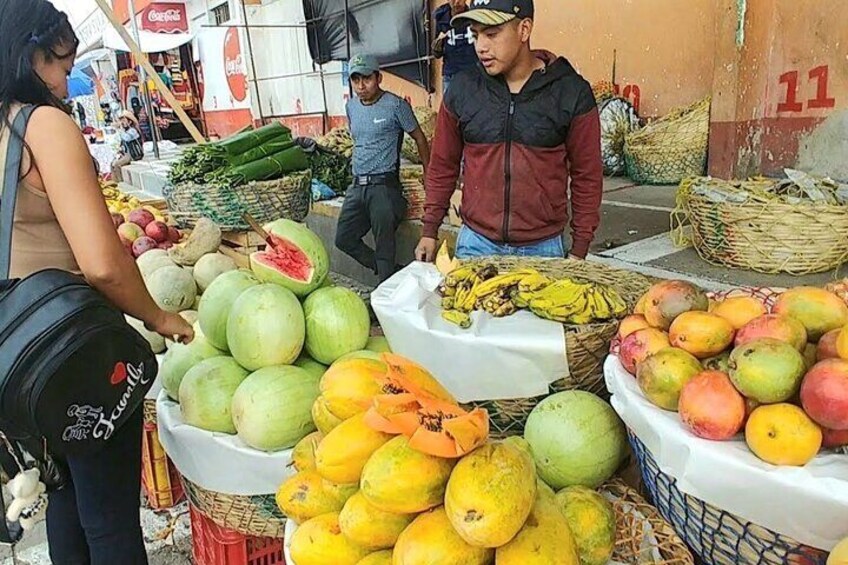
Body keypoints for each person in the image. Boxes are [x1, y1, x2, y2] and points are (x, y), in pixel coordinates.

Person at [0, 2, 193, 563]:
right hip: (67, 348)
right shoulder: (42, 125)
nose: (66, 78)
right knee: (108, 519)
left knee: (63, 495)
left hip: (13, 357)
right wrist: (159, 317)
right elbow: (103, 263)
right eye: (62, 63)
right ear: (30, 55)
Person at [415, 0, 603, 262]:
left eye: (492, 34)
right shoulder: (463, 89)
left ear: (524, 29)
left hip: (544, 250)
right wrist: (429, 229)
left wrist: (580, 247)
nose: (480, 46)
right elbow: (442, 164)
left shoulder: (571, 92)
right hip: (475, 244)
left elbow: (588, 175)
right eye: (476, 34)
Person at [335, 54, 431, 283]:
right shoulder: (351, 107)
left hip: (384, 187)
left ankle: (385, 300)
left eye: (366, 78)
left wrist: (429, 174)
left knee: (385, 248)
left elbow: (419, 138)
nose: (361, 85)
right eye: (355, 79)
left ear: (379, 77)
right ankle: (394, 273)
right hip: (357, 186)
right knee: (343, 239)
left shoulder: (396, 105)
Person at [432, 0, 479, 94]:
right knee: (449, 107)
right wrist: (437, 47)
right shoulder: (441, 18)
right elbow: (437, 54)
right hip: (451, 73)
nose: (457, 2)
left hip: (473, 74)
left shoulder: (474, 16)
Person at [111, 110, 143, 183]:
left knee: (117, 164)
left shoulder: (133, 130)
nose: (122, 122)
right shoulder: (126, 131)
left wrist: (120, 129)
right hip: (126, 153)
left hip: (132, 154)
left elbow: (126, 138)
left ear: (130, 122)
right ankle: (115, 181)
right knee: (112, 163)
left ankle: (120, 182)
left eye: (124, 120)